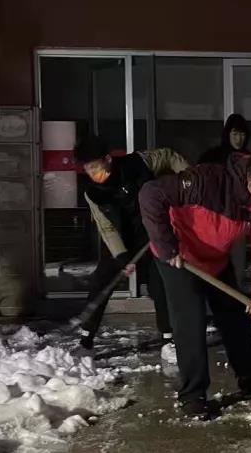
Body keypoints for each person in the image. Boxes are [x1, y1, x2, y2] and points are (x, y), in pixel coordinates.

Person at [139, 147, 251, 420]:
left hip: (215, 261)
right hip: (179, 258)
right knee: (191, 322)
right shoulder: (206, 181)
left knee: (235, 319)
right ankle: (193, 396)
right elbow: (151, 194)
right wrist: (167, 245)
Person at [74, 135, 190, 353]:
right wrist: (121, 256)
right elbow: (106, 227)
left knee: (159, 284)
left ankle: (168, 339)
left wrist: (189, 178)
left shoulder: (138, 163)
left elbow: (168, 156)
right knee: (101, 281)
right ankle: (86, 341)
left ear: (108, 159)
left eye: (95, 167)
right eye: (88, 169)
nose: (92, 173)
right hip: (120, 236)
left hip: (152, 232)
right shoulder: (93, 193)